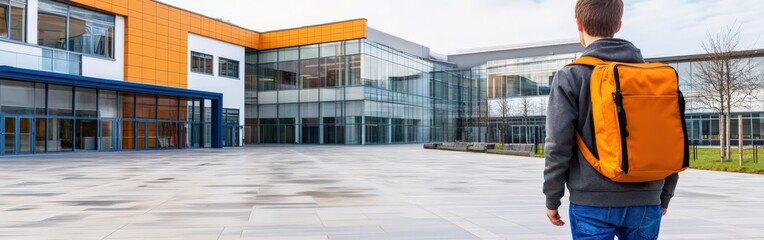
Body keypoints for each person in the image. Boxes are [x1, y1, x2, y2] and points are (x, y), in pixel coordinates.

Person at [542, 0, 679, 239]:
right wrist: (664, 194)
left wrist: (553, 197)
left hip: (591, 201)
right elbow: (668, 140)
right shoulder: (654, 77)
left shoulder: (571, 76)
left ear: (578, 23)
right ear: (618, 24)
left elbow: (558, 144)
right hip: (646, 199)